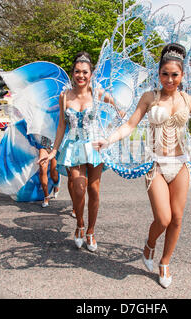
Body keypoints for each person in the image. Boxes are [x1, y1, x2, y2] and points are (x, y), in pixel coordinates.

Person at [93, 43, 191, 288]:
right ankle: (149, 245)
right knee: (162, 218)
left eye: (175, 75)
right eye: (165, 74)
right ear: (158, 74)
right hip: (156, 164)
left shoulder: (188, 100)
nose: (170, 79)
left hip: (181, 163)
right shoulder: (149, 97)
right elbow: (130, 125)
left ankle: (165, 262)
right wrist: (108, 140)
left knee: (177, 219)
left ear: (182, 75)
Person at [39, 51, 124, 252]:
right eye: (77, 72)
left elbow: (122, 110)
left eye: (85, 72)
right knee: (78, 189)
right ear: (73, 73)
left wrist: (109, 132)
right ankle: (79, 224)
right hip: (74, 147)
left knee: (94, 190)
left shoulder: (98, 93)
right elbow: (61, 126)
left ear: (91, 74)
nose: (81, 76)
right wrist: (53, 151)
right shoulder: (64, 96)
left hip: (95, 146)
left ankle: (91, 232)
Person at [38, 136, 60, 208]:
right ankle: (46, 196)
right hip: (43, 145)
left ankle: (56, 184)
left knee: (54, 174)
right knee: (42, 168)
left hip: (55, 146)